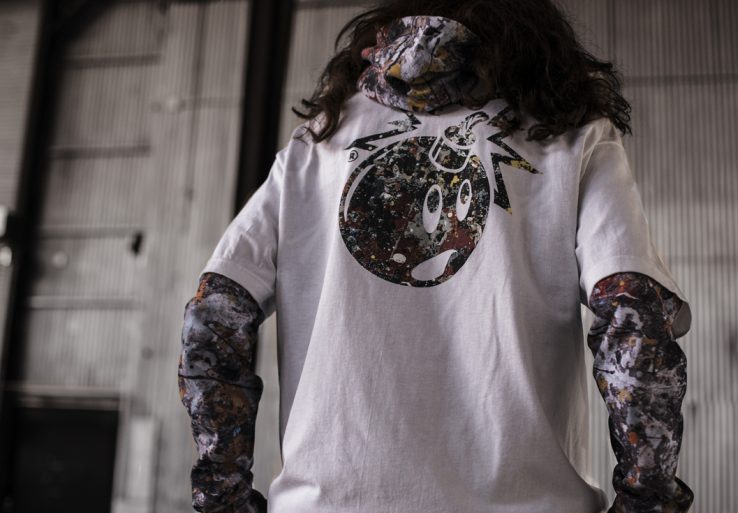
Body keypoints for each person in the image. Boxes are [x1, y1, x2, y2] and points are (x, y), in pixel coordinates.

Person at [178, 1, 695, 512]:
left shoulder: (320, 142)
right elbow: (635, 317)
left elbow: (213, 315)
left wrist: (224, 497)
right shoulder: (569, 134)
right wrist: (646, 502)